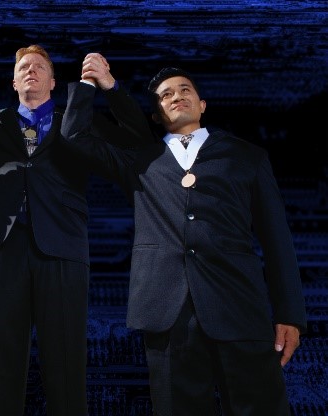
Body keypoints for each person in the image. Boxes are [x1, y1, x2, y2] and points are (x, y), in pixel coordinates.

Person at [60, 53, 308, 415]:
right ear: (157, 115)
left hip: (240, 307)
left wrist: (290, 314)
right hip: (167, 314)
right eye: (166, 95)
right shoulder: (140, 161)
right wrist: (94, 84)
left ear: (202, 104)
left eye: (185, 89)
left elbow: (277, 240)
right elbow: (74, 136)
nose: (177, 96)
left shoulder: (247, 156)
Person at [0, 30, 151, 416]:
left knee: (65, 359)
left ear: (53, 82)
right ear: (13, 82)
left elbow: (137, 140)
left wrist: (110, 86)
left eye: (39, 67)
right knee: (0, 359)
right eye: (23, 67)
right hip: (4, 248)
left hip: (63, 248)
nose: (31, 71)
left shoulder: (77, 123)